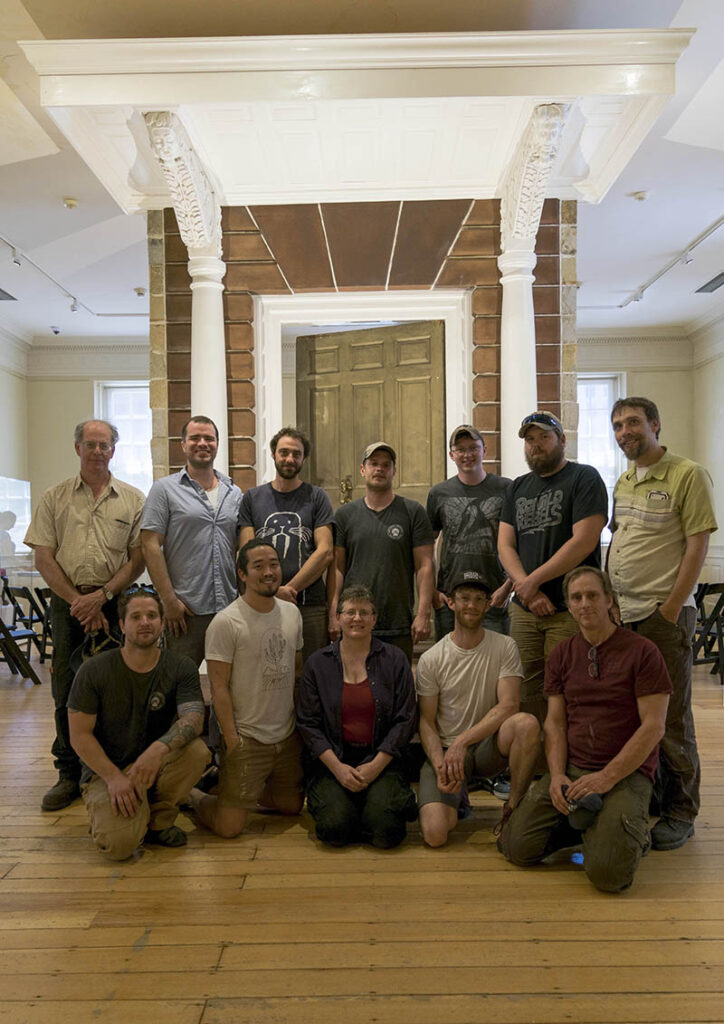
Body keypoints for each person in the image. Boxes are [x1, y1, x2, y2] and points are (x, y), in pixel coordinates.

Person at [498, 568, 672, 892]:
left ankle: (616, 829)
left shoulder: (642, 651)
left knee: (608, 875)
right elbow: (555, 722)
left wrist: (606, 777)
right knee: (516, 847)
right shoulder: (562, 654)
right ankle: (590, 823)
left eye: (592, 595)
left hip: (624, 773)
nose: (584, 604)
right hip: (573, 768)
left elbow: (654, 727)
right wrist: (557, 776)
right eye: (576, 598)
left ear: (609, 600)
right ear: (568, 604)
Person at [608, 397, 718, 850]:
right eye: (617, 425)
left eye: (633, 422)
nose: (624, 431)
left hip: (661, 617)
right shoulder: (625, 479)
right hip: (625, 617)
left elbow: (696, 547)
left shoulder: (687, 474)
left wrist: (670, 610)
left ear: (655, 423)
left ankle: (680, 811)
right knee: (637, 715)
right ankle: (655, 792)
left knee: (671, 718)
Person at [24, 419, 145, 811]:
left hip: (114, 603)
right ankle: (68, 773)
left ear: (114, 450)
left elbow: (138, 558)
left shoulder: (132, 499)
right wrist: (80, 601)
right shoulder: (54, 498)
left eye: (104, 445)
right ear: (77, 448)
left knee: (116, 687)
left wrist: (103, 597)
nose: (97, 451)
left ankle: (108, 765)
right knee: (67, 687)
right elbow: (44, 557)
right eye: (90, 444)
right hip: (67, 603)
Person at [67, 585, 210, 860]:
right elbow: (79, 736)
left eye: (152, 616)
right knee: (118, 847)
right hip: (106, 770)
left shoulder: (180, 667)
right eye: (135, 617)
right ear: (122, 624)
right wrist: (114, 777)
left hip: (153, 763)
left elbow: (193, 718)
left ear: (162, 622)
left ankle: (160, 820)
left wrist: (156, 751)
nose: (145, 622)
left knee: (197, 752)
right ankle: (125, 813)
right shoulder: (93, 670)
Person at [416, 570, 541, 847]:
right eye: (464, 598)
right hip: (447, 753)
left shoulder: (505, 646)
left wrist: (464, 741)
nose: (471, 605)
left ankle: (514, 808)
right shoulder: (431, 658)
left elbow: (509, 704)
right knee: (435, 835)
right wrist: (440, 764)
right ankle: (456, 799)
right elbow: (426, 722)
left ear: (488, 605)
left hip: (486, 748)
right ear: (451, 603)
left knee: (526, 723)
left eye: (478, 599)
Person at [498, 410, 608, 722]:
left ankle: (571, 764)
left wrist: (533, 581)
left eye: (544, 437)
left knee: (571, 686)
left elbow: (584, 541)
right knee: (527, 690)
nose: (536, 445)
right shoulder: (517, 487)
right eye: (530, 440)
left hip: (571, 608)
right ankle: (535, 766)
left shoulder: (584, 478)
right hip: (525, 609)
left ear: (561, 439)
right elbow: (505, 545)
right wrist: (528, 590)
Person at [189, 540, 304, 837]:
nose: (269, 572)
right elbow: (218, 687)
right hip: (247, 737)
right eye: (258, 566)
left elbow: (297, 671)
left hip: (286, 735)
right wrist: (232, 739)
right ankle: (195, 795)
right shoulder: (226, 622)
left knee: (292, 806)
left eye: (274, 564)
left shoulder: (292, 613)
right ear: (242, 574)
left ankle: (232, 787)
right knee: (229, 828)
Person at [297, 584, 417, 848]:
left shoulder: (395, 660)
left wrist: (375, 766)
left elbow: (405, 719)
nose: (357, 619)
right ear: (338, 617)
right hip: (334, 761)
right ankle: (356, 808)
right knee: (334, 830)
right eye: (350, 612)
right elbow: (308, 723)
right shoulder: (317, 663)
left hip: (381, 759)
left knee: (386, 833)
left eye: (364, 613)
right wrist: (338, 770)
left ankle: (373, 806)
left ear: (374, 619)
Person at [141, 415, 243, 666]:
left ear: (217, 444)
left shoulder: (234, 492)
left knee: (230, 686)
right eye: (195, 438)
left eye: (209, 438)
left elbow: (241, 548)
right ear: (183, 445)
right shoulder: (164, 489)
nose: (203, 443)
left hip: (228, 609)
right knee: (180, 686)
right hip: (185, 610)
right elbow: (150, 545)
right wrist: (168, 601)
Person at [330, 441, 434, 663]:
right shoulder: (345, 516)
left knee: (396, 689)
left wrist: (424, 614)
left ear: (394, 471)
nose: (379, 469)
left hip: (397, 621)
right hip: (354, 621)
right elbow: (337, 569)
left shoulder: (412, 512)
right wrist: (334, 614)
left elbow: (424, 566)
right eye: (374, 464)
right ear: (363, 470)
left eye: (386, 465)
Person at [240, 426, 334, 664]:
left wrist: (288, 589)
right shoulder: (252, 498)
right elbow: (246, 552)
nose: (290, 459)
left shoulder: (317, 497)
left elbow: (325, 552)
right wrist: (273, 591)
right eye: (284, 452)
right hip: (262, 602)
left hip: (309, 605)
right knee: (266, 670)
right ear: (273, 454)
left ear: (304, 458)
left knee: (312, 673)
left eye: (296, 454)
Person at [426, 424, 512, 638]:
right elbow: (427, 547)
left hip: (493, 597)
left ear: (484, 450)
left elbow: (519, 544)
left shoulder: (507, 489)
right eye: (460, 450)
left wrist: (508, 586)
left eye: (473, 448)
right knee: (449, 665)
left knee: (494, 665)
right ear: (451, 455)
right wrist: (432, 591)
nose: (467, 455)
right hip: (450, 598)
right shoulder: (438, 493)